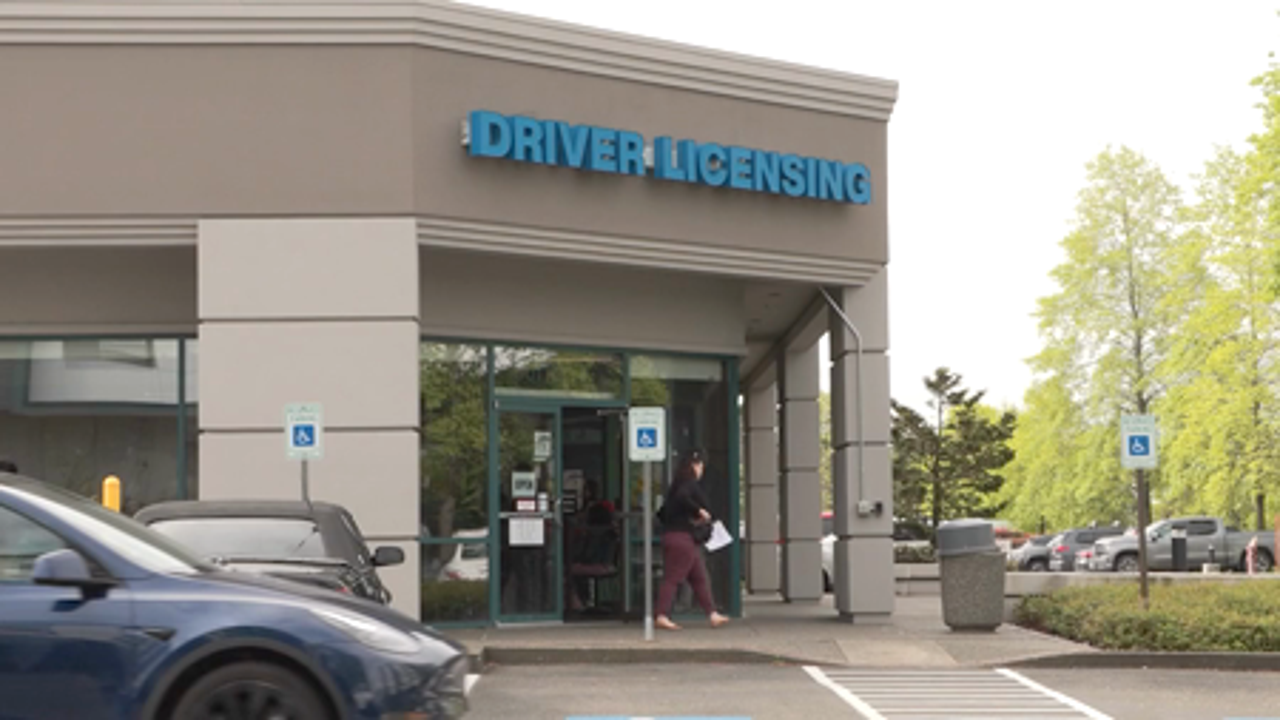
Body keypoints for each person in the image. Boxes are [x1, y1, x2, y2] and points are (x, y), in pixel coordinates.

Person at [655, 449, 728, 630]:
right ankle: (661, 614)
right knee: (673, 578)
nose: (701, 470)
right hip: (683, 538)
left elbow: (661, 513)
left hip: (677, 537)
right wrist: (698, 512)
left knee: (699, 577)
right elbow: (684, 499)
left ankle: (712, 614)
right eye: (701, 466)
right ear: (694, 466)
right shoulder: (689, 485)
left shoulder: (675, 487)